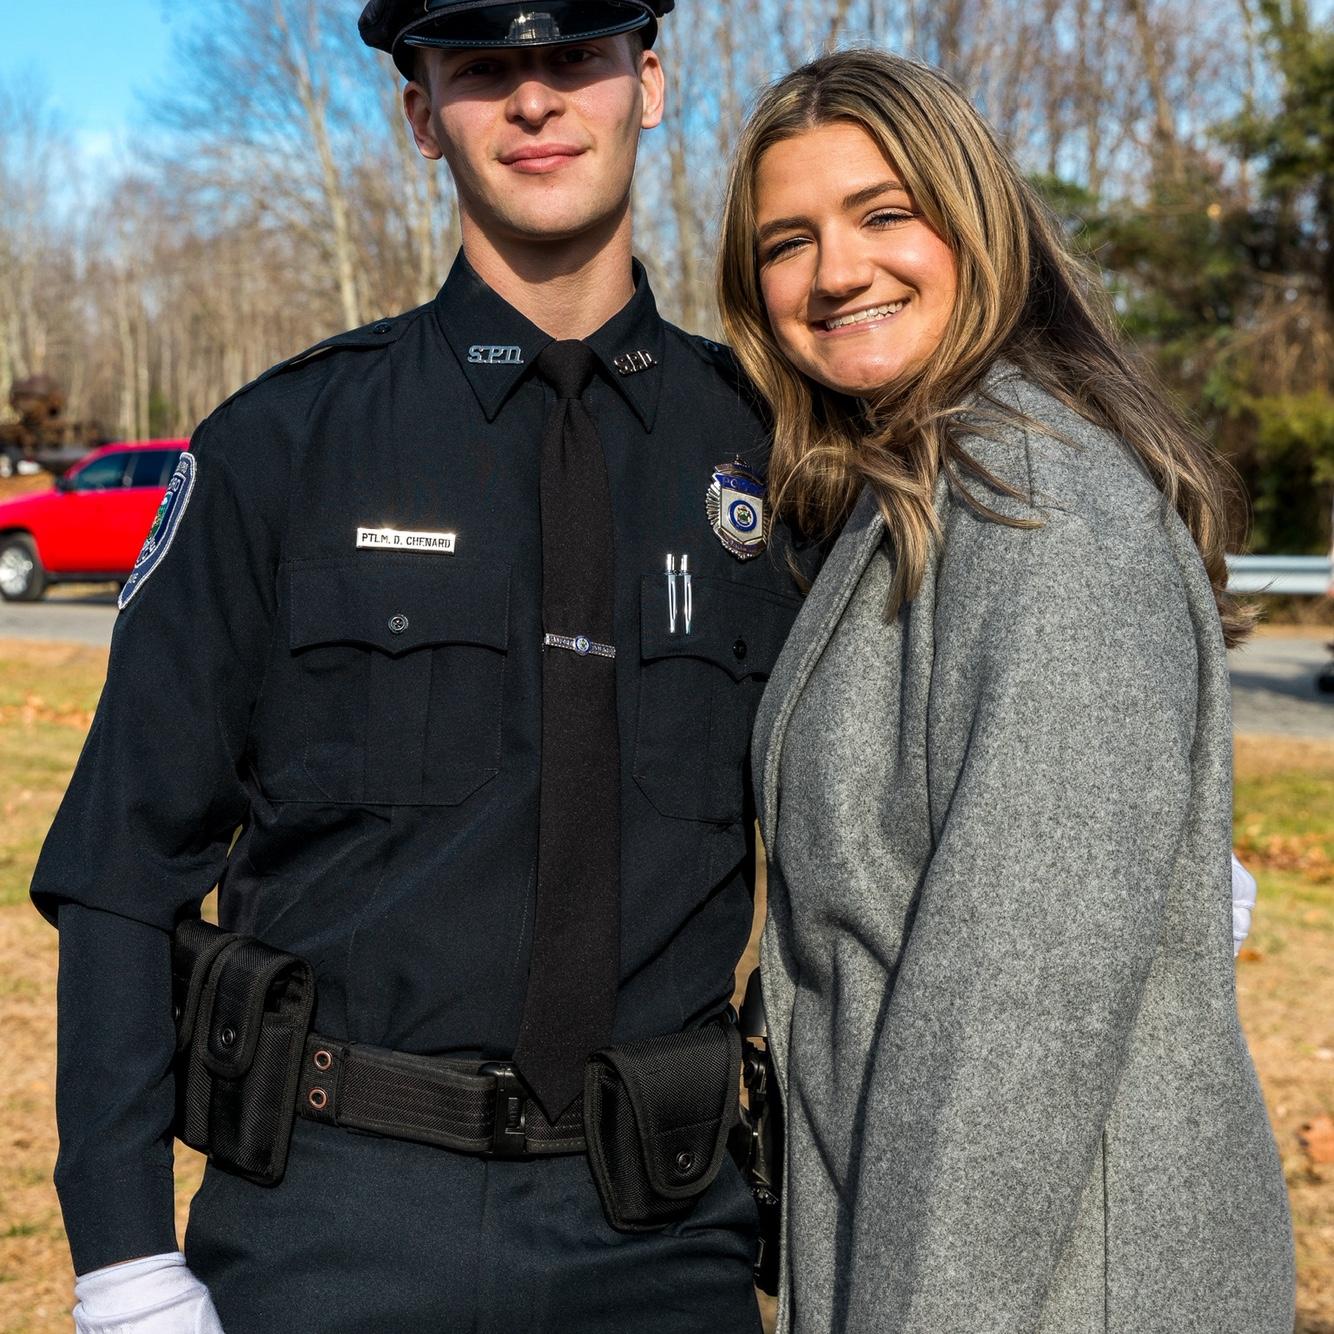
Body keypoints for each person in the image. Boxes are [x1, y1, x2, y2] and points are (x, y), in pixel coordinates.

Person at [31, 3, 810, 1330]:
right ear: (419, 116)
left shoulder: (773, 457)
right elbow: (123, 863)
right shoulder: (282, 448)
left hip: (666, 1240)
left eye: (574, 58)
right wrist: (125, 1267)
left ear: (648, 82)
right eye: (483, 68)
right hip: (334, 1223)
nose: (534, 100)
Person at [715, 48, 1296, 1334]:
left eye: (882, 213)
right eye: (787, 240)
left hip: (1047, 1287)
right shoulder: (923, 482)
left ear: (976, 223)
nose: (834, 271)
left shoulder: (1038, 508)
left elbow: (1010, 1028)